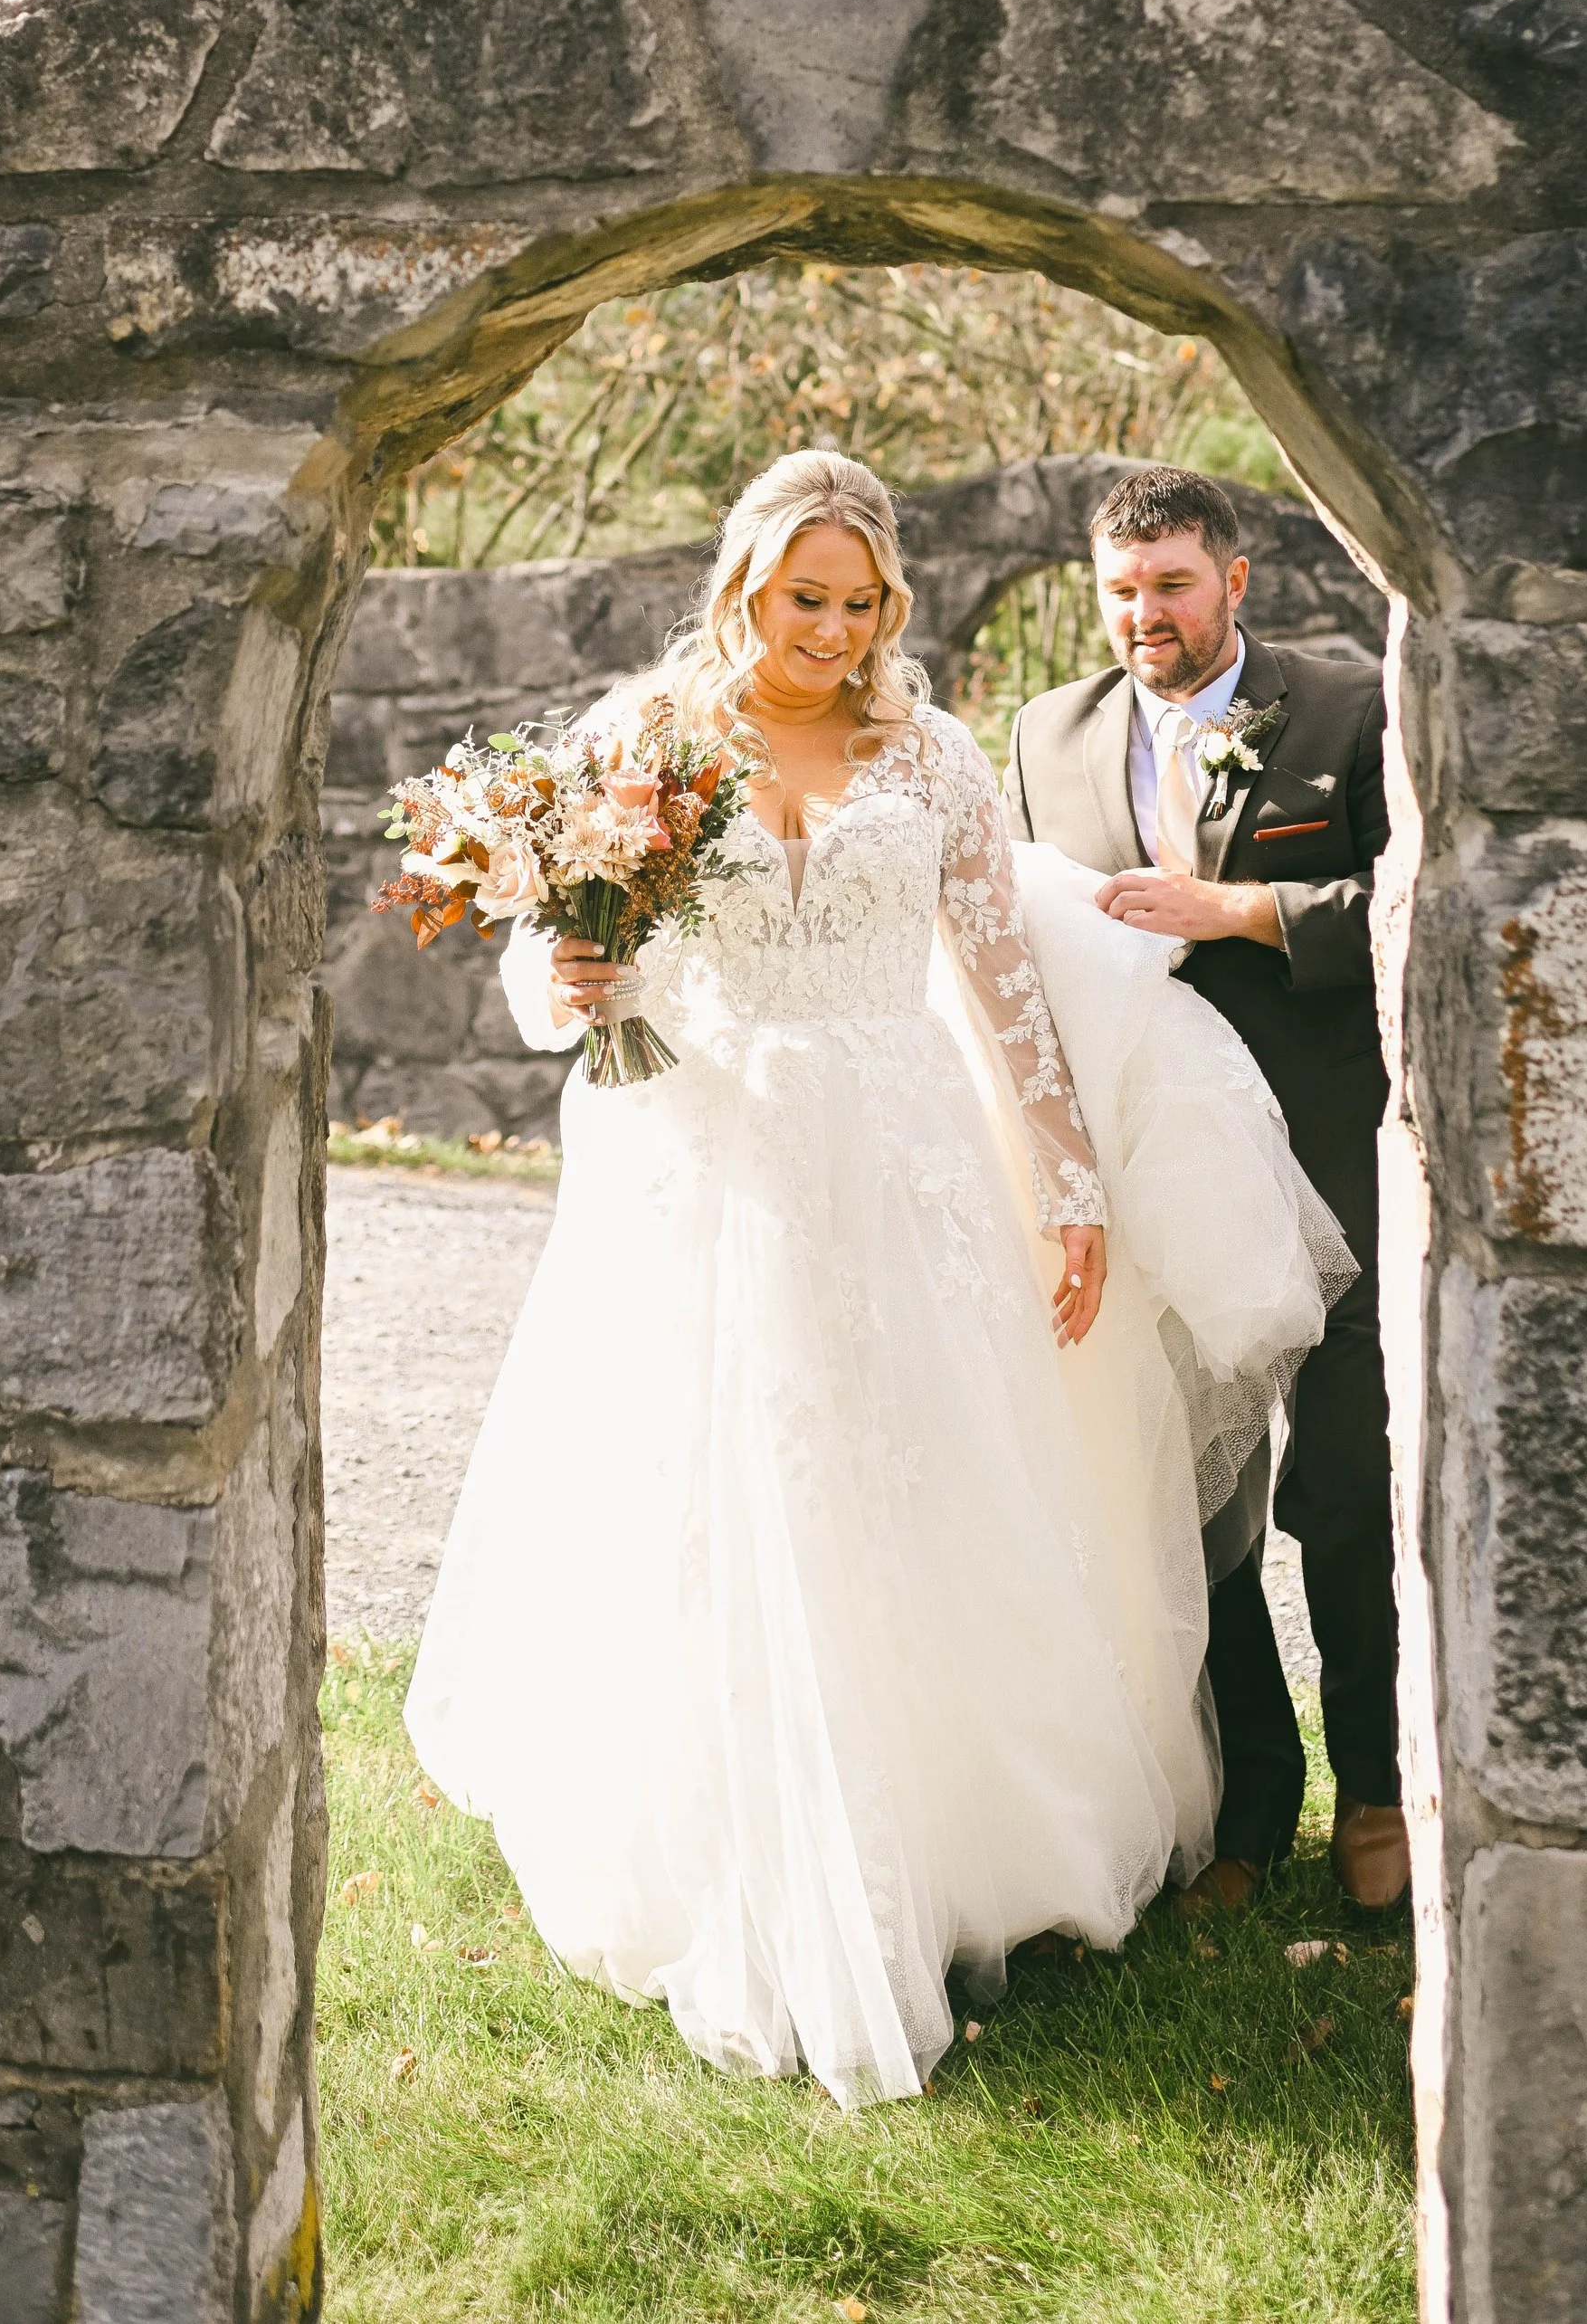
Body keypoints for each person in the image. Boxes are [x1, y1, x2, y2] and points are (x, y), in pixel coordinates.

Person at [405, 451, 1342, 2106]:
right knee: (738, 1500)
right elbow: (551, 973)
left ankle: (968, 1860)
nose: (831, 631)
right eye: (801, 600)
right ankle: (752, 1869)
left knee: (923, 1495)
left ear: (887, 601)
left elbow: (1000, 980)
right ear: (744, 586)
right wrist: (575, 977)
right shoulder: (648, 740)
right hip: (712, 1156)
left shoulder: (934, 752)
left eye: (856, 603)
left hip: (907, 1163)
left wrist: (1067, 1184)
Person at [1003, 464, 1405, 1916]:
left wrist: (1238, 908)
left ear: (1236, 579)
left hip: (1331, 1157)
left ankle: (1376, 1784)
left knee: (1345, 1497)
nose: (1143, 614)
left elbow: (1419, 897)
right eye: (1119, 587)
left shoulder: (1353, 703)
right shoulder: (1046, 734)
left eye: (1171, 582)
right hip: (1157, 1172)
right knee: (1191, 1504)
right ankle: (1249, 1804)